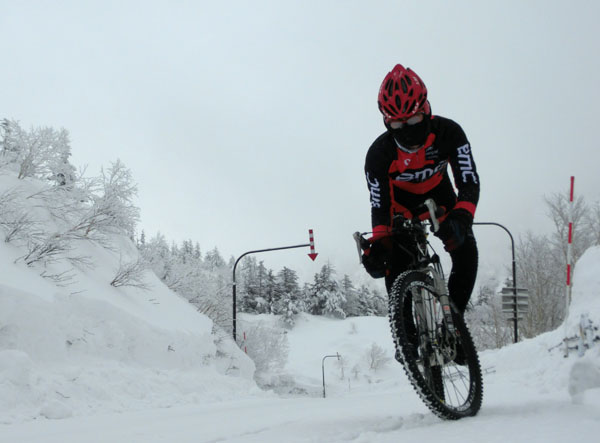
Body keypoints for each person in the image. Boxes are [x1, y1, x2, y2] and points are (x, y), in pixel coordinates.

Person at [363, 64, 480, 315]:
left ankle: (455, 325)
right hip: (400, 206)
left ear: (426, 110)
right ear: (386, 122)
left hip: (439, 197)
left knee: (466, 250)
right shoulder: (378, 155)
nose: (407, 129)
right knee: (396, 263)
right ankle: (407, 340)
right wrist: (380, 243)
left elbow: (468, 180)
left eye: (414, 119)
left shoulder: (449, 133)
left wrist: (463, 215)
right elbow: (379, 204)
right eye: (397, 124)